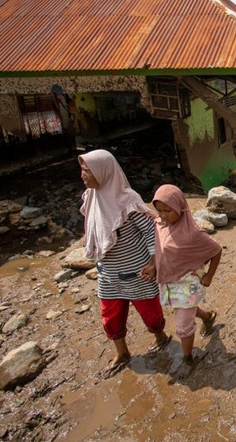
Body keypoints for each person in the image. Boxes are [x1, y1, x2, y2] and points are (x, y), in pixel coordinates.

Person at [78, 149, 170, 378]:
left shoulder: (128, 200)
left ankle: (161, 337)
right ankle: (122, 353)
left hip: (138, 272)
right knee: (111, 316)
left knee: (151, 313)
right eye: (82, 169)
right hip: (108, 272)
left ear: (104, 172)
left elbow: (150, 231)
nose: (82, 175)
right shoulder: (91, 197)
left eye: (87, 170)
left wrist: (153, 262)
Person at [147, 185, 223, 374]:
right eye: (160, 210)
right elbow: (159, 250)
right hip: (170, 281)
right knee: (185, 309)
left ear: (180, 207)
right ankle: (208, 316)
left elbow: (216, 250)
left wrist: (209, 276)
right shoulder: (161, 225)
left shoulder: (193, 234)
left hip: (187, 283)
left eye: (168, 211)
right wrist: (153, 267)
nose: (163, 215)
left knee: (183, 324)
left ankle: (188, 357)